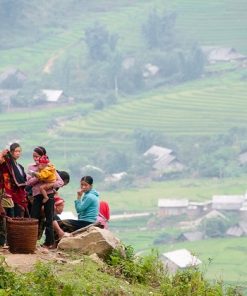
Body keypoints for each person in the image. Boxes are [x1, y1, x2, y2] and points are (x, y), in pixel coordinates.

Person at [26, 146, 64, 249]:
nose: (35, 159)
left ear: (43, 156)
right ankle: (30, 241)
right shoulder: (31, 167)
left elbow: (60, 182)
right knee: (33, 217)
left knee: (49, 218)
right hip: (37, 195)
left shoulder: (50, 167)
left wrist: (49, 184)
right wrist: (38, 177)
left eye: (37, 156)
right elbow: (28, 182)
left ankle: (49, 242)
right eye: (34, 156)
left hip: (49, 194)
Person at [0, 143, 28, 218]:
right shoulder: (6, 162)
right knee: (7, 212)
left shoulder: (19, 167)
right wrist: (2, 154)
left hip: (16, 192)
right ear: (11, 152)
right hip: (6, 190)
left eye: (19, 151)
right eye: (16, 151)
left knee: (16, 213)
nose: (18, 153)